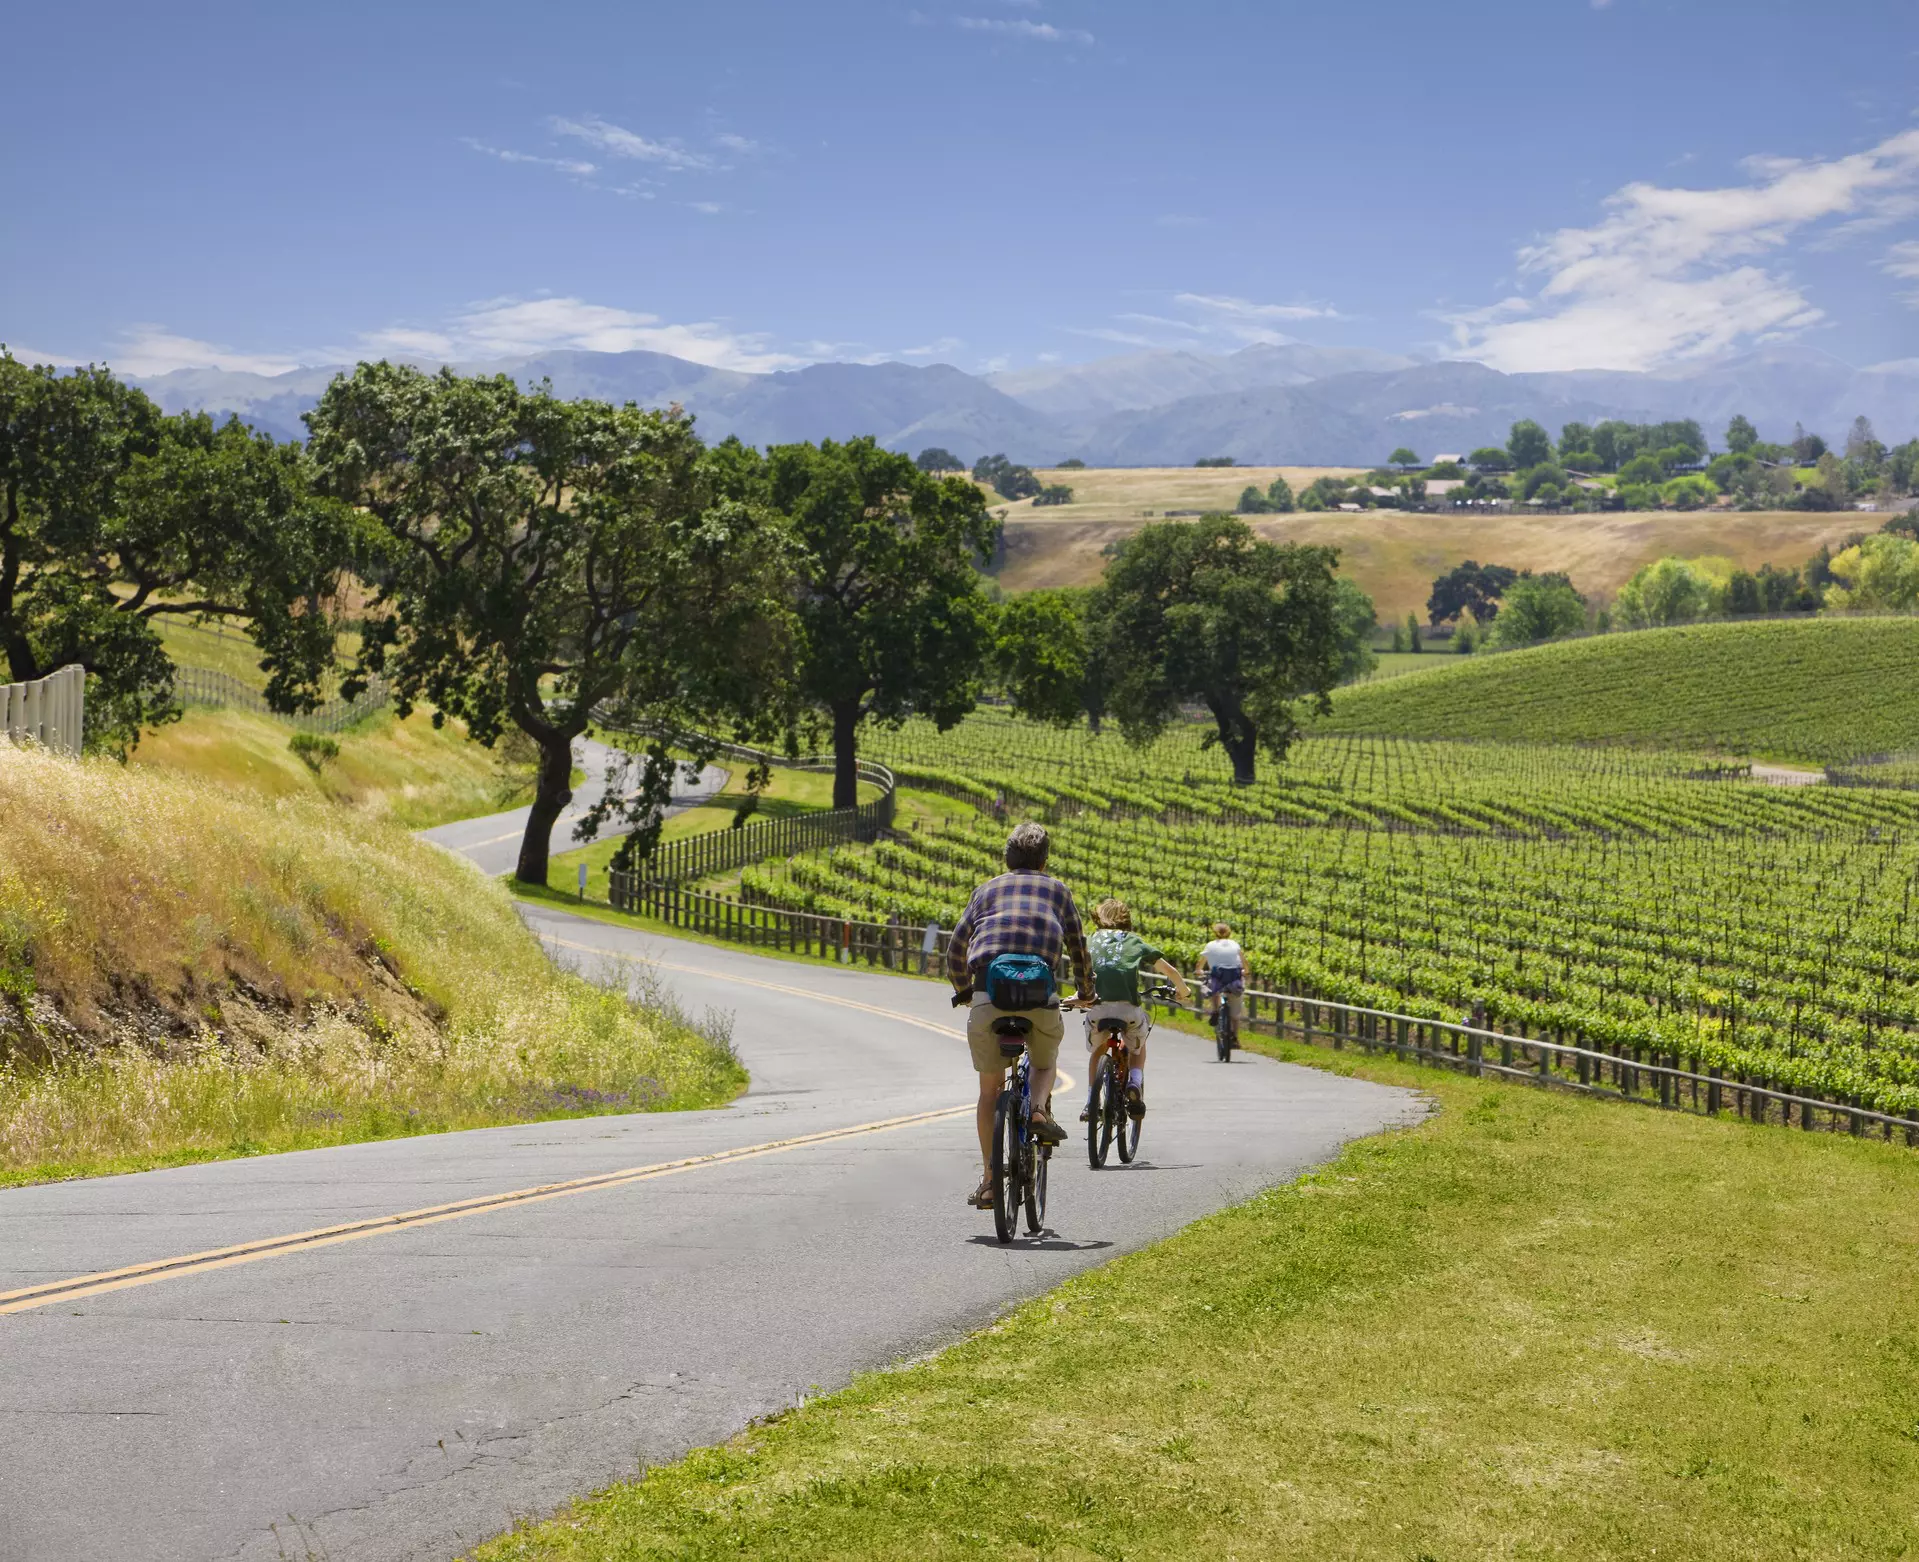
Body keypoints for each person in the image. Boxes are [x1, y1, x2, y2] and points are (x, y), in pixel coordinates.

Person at [947, 821, 1093, 1209]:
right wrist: (1087, 992)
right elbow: (1078, 948)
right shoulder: (1059, 891)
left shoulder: (987, 890)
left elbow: (956, 948)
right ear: (1044, 860)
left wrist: (965, 990)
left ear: (1007, 857)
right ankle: (1040, 1109)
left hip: (988, 996)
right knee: (1045, 1064)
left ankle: (990, 1181)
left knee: (988, 1091)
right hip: (1039, 998)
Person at [1080, 898, 1189, 1124]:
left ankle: (1092, 1103)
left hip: (1097, 1009)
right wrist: (1183, 990)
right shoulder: (1134, 941)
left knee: (1097, 1052)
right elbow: (1169, 970)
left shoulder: (1090, 940)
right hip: (1128, 1010)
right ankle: (1134, 1081)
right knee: (1139, 1045)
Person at [1196, 921, 1245, 1036]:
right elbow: (1244, 962)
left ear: (1215, 933)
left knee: (1212, 985)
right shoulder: (1235, 944)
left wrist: (1199, 971)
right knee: (1235, 1010)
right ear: (1229, 933)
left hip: (1218, 977)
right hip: (1234, 977)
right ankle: (1235, 1037)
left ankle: (1215, 1010)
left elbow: (1200, 964)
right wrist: (1246, 972)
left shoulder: (1210, 945)